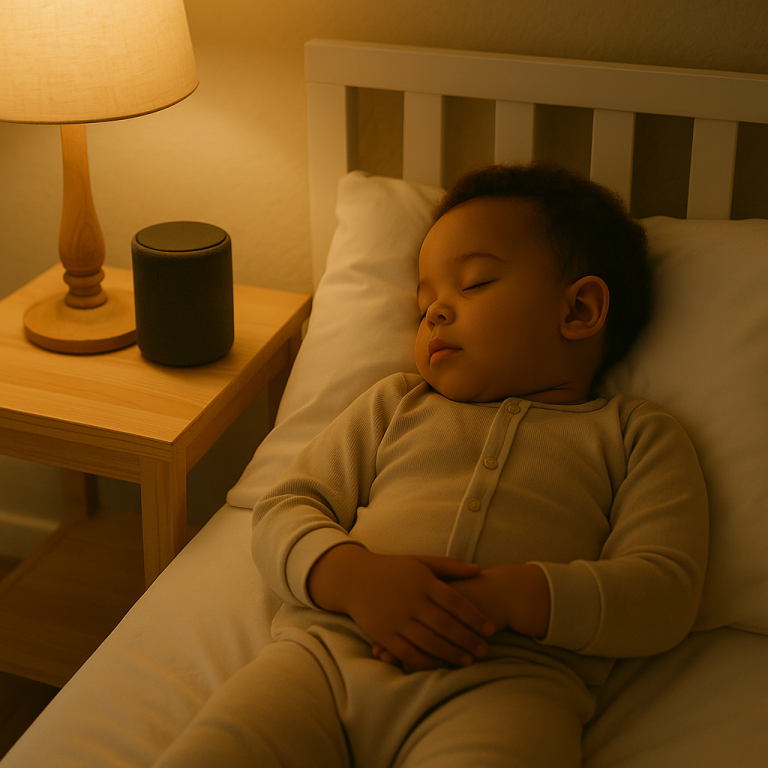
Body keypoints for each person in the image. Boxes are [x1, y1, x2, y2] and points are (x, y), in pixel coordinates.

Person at [155, 164, 708, 768]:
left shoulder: (636, 436)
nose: (435, 313)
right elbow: (287, 505)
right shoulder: (395, 404)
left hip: (507, 688)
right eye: (424, 307)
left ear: (579, 309)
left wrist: (508, 598)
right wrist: (353, 577)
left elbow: (664, 590)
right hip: (326, 659)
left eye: (474, 284)